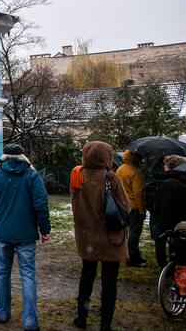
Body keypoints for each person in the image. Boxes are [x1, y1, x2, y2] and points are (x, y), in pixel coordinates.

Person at [0, 144, 51, 331]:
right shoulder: (32, 176)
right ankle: (29, 321)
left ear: (4, 157)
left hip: (3, 233)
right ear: (23, 157)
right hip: (26, 234)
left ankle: (2, 313)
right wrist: (45, 229)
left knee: (2, 272)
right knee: (28, 276)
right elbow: (41, 204)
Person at [70, 141, 130, 331]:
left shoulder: (77, 175)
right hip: (110, 238)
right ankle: (105, 325)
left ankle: (82, 318)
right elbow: (126, 207)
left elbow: (75, 206)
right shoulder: (110, 178)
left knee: (86, 277)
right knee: (109, 281)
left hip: (87, 237)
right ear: (108, 156)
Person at [149, 155, 186, 269]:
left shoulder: (168, 183)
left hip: (168, 219)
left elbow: (165, 206)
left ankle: (166, 267)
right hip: (182, 218)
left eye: (165, 164)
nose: (163, 167)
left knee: (164, 243)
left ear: (171, 166)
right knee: (178, 246)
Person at [115, 150, 147, 267]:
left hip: (122, 205)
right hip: (134, 206)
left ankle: (123, 254)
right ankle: (133, 257)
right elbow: (138, 193)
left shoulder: (120, 169)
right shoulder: (135, 172)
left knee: (124, 233)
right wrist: (142, 209)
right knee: (134, 233)